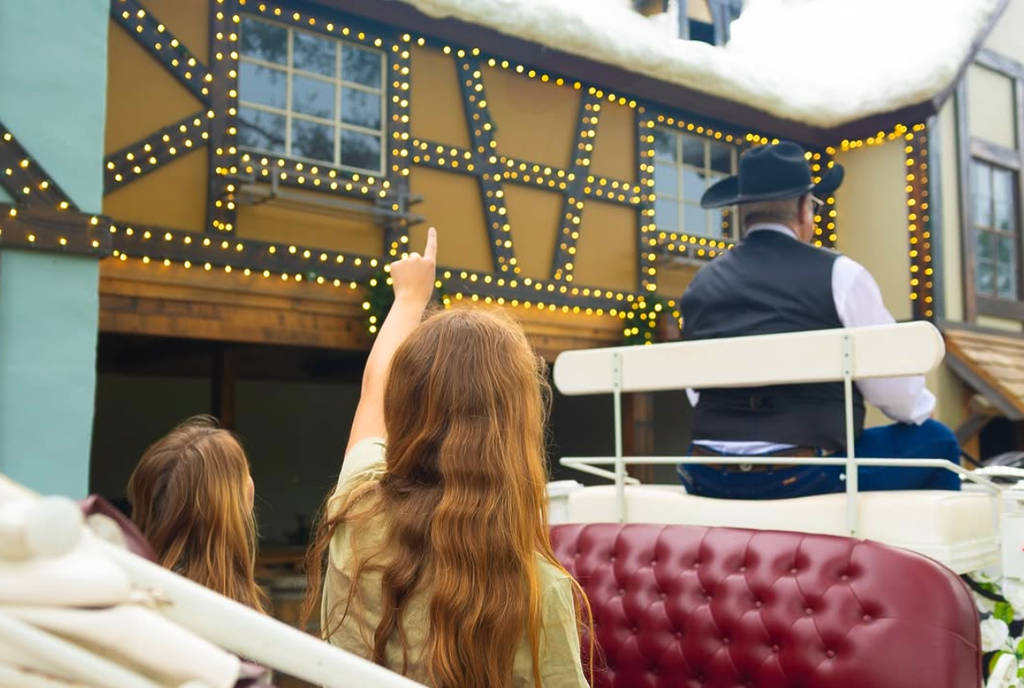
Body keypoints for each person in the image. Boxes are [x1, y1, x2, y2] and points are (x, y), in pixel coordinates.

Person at [303, 228, 591, 688]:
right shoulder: (536, 589)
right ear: (515, 431)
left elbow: (373, 392)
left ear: (405, 407)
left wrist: (409, 298)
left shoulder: (355, 511)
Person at [677, 141, 960, 499]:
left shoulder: (700, 284)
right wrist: (920, 409)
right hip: (803, 474)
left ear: (742, 212)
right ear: (803, 208)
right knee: (937, 440)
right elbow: (894, 392)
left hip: (707, 473)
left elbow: (697, 392)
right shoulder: (840, 275)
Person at [126, 415, 267, 611]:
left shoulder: (128, 593)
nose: (250, 482)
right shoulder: (223, 612)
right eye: (245, 475)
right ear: (243, 500)